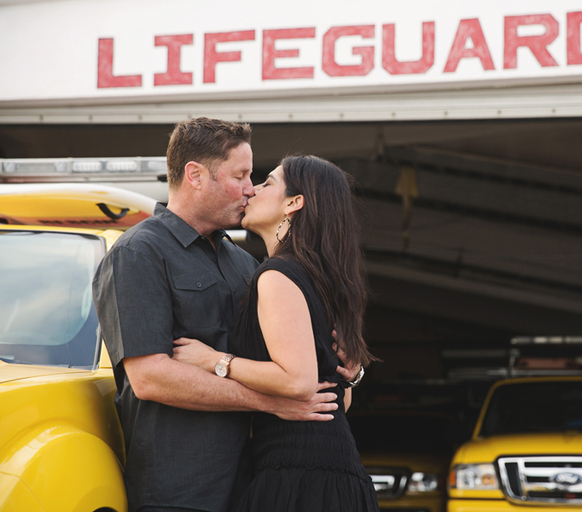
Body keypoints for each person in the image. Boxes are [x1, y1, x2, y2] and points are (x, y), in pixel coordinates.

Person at [93, 118, 355, 512]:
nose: (250, 189)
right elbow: (150, 377)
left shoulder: (247, 265)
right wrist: (270, 403)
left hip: (253, 484)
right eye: (241, 176)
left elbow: (296, 372)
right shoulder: (139, 253)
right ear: (195, 175)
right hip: (180, 492)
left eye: (255, 178)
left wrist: (345, 368)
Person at [171, 155, 379, 512]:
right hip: (332, 469)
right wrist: (351, 376)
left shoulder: (277, 275)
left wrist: (214, 360)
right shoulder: (323, 280)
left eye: (268, 183)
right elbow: (337, 400)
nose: (252, 190)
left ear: (293, 203)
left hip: (297, 474)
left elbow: (298, 382)